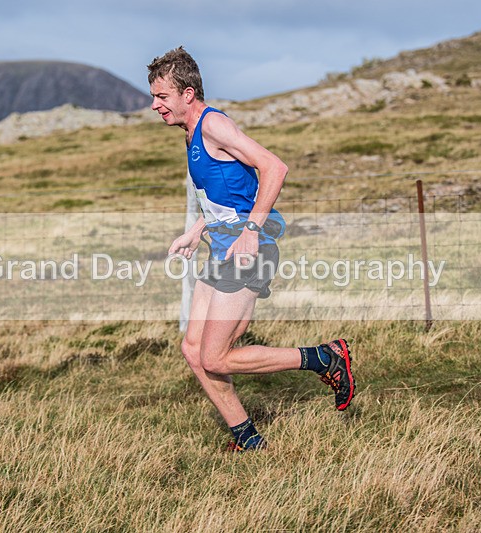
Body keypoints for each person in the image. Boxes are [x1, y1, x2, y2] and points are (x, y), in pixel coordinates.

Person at [148, 46, 355, 451]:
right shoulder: (191, 133)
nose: (154, 105)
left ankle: (323, 358)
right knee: (193, 350)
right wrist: (197, 229)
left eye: (162, 96)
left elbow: (274, 167)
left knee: (216, 357)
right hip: (222, 249)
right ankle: (247, 438)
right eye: (154, 97)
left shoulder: (213, 126)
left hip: (246, 250)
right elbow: (229, 194)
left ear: (187, 94)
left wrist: (252, 231)